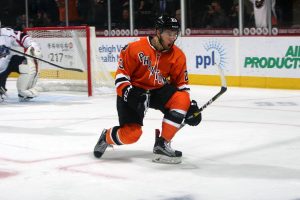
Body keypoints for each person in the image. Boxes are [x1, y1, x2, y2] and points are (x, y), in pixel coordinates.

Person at [93, 15, 202, 164]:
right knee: (132, 135)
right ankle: (106, 136)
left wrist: (189, 107)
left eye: (175, 34)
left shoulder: (178, 56)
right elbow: (120, 78)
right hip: (134, 90)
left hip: (158, 91)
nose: (173, 37)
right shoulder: (134, 48)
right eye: (169, 33)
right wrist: (129, 94)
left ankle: (162, 144)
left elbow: (182, 86)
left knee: (182, 100)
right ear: (158, 32)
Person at [0, 27, 42, 102]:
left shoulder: (6, 33)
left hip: (9, 62)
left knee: (28, 64)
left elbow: (22, 37)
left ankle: (24, 91)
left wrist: (33, 46)